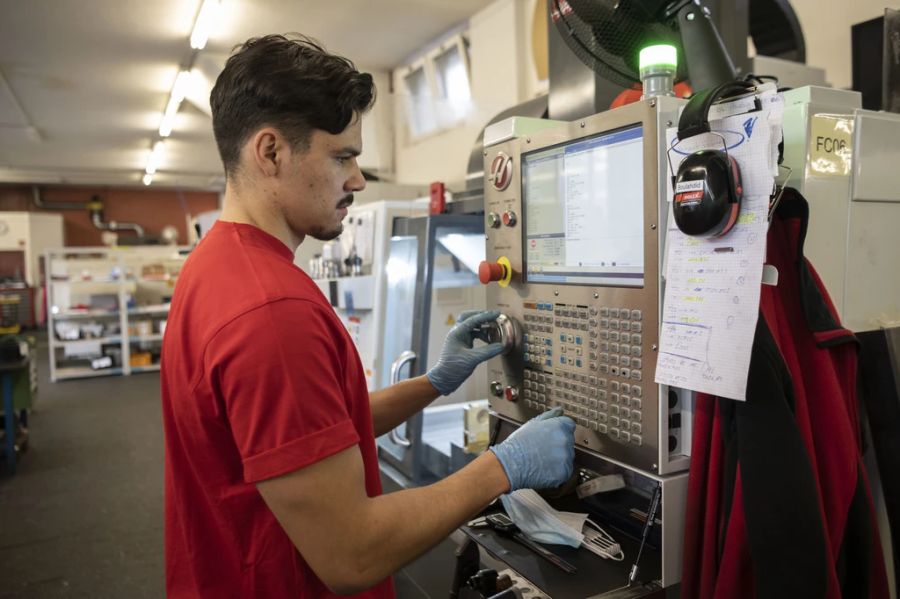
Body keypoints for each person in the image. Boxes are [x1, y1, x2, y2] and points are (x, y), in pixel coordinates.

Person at [160, 34, 575, 599]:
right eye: (342, 156)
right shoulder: (271, 312)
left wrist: (433, 383)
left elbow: (315, 437)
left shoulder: (216, 267)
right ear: (271, 152)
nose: (357, 179)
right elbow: (352, 553)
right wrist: (502, 468)